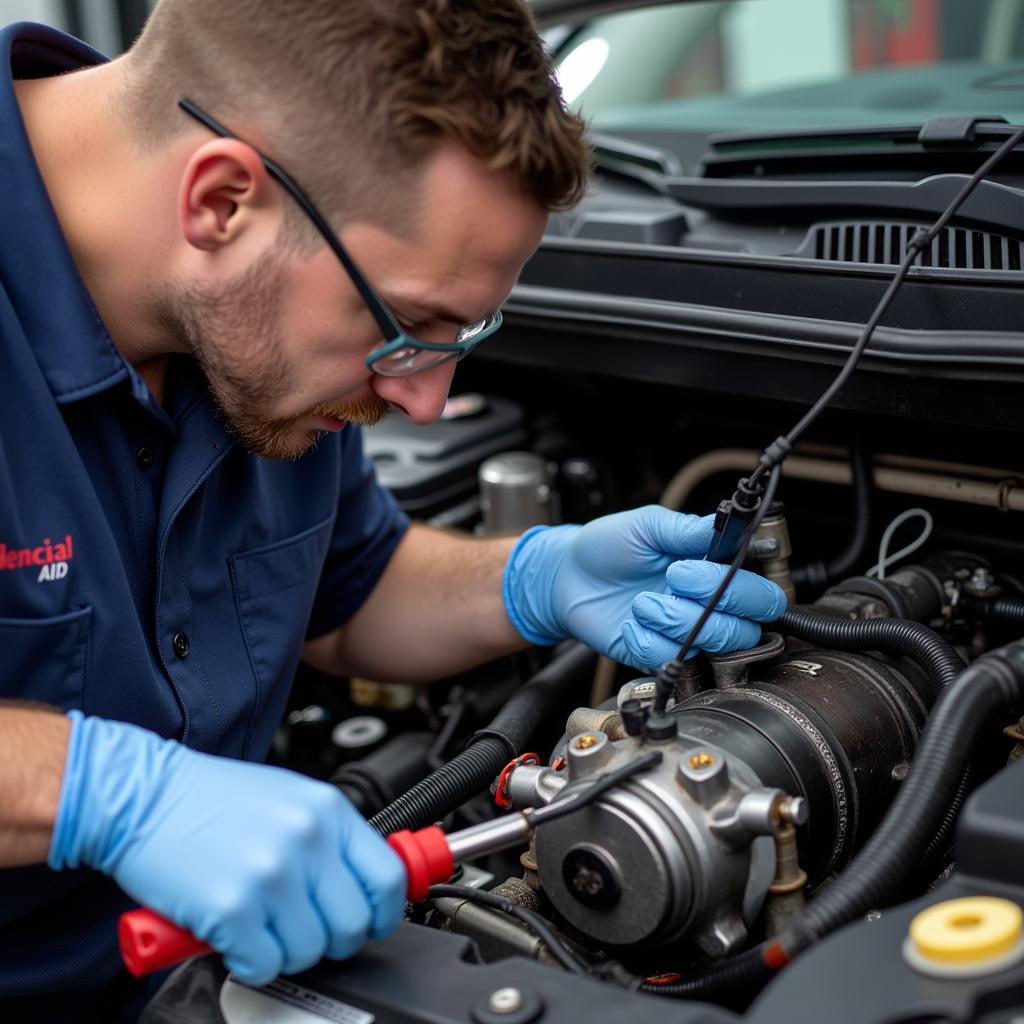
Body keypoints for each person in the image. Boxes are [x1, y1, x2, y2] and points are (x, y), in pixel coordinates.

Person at [0, 1, 788, 1019]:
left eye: (465, 333)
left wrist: (532, 579)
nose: (423, 395)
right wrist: (105, 791)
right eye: (409, 327)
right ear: (223, 201)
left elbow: (343, 593)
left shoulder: (257, 329)